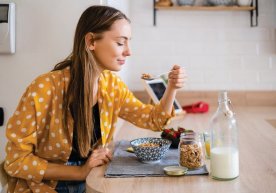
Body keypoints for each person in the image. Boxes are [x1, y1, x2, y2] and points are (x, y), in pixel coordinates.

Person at [4, 5, 187, 193]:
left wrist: (171, 88)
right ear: (91, 41)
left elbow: (153, 120)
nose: (128, 51)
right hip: (45, 186)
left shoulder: (112, 86)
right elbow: (16, 161)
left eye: (128, 42)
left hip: (93, 180)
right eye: (120, 42)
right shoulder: (44, 88)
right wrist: (79, 172)